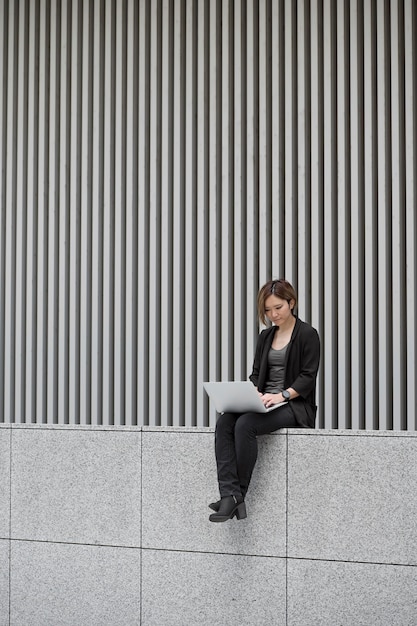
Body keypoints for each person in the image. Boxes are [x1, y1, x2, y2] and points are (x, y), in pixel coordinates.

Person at [209, 278, 320, 523]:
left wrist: (280, 395)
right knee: (226, 422)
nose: (273, 314)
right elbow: (257, 374)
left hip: (293, 405)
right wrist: (253, 394)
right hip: (265, 402)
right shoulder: (265, 336)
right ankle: (229, 495)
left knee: (246, 424)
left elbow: (307, 378)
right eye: (268, 310)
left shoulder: (307, 334)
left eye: (278, 307)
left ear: (291, 302)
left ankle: (238, 494)